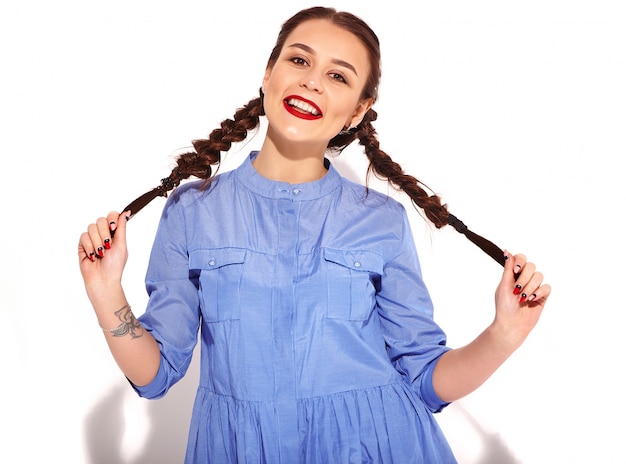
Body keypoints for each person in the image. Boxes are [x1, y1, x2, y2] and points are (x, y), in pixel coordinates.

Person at [78, 7, 551, 463]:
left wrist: (503, 333)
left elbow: (426, 378)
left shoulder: (381, 219)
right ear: (268, 74)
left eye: (338, 76)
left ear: (357, 112)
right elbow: (156, 374)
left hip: (376, 446)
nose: (311, 80)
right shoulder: (192, 210)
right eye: (300, 60)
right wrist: (106, 292)